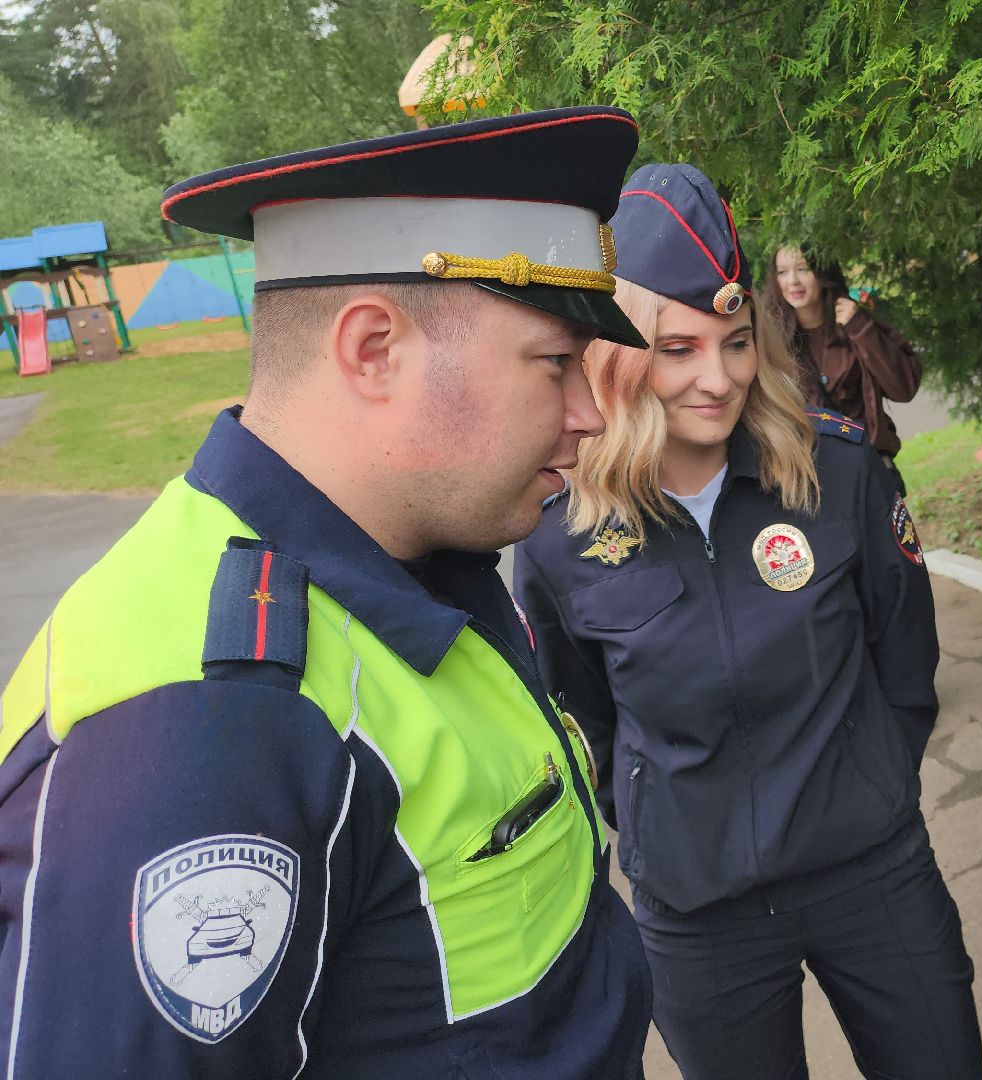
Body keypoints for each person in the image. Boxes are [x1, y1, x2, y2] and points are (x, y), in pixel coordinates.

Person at [0, 109, 653, 1076]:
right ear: (373, 349)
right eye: (556, 364)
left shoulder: (421, 554)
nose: (591, 415)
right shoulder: (204, 729)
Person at [515, 164, 982, 1080]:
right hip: (699, 914)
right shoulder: (558, 534)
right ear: (618, 352)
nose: (718, 379)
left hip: (870, 871)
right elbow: (582, 719)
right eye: (679, 348)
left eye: (734, 344)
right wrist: (664, 828)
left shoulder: (840, 475)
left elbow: (903, 661)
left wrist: (871, 783)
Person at [765, 245, 923, 461]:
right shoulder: (773, 342)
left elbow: (904, 388)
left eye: (803, 268)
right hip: (811, 472)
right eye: (782, 272)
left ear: (823, 271)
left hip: (868, 465)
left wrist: (860, 328)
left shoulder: (856, 327)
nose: (792, 280)